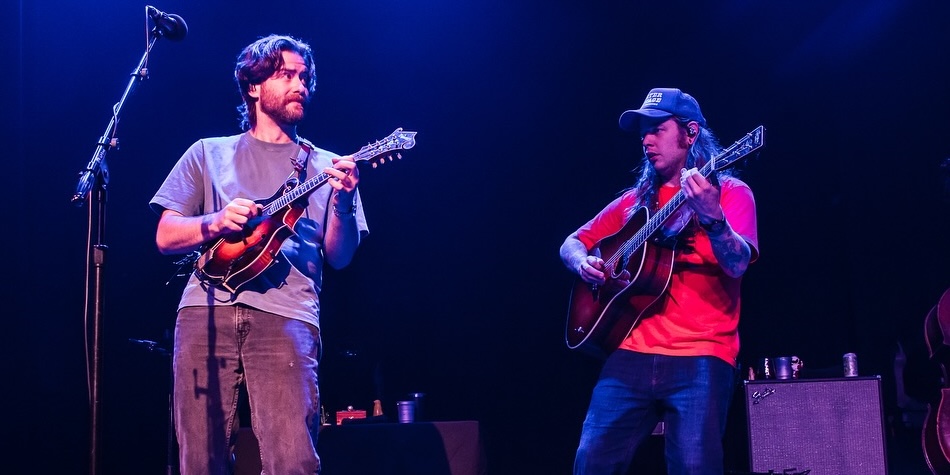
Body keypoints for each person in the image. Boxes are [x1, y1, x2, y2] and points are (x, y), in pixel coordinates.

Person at [150, 34, 368, 474]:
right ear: (253, 86)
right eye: (285, 74)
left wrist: (344, 201)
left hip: (287, 313)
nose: (299, 84)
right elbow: (165, 235)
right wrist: (214, 222)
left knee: (293, 460)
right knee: (201, 459)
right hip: (204, 311)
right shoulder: (207, 153)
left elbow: (340, 256)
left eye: (304, 77)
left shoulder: (326, 165)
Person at [560, 88, 758, 475]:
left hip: (702, 354)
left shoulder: (731, 193)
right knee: (591, 463)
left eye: (657, 129)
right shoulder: (635, 202)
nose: (646, 139)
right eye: (643, 132)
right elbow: (572, 242)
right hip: (630, 352)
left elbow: (737, 266)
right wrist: (584, 263)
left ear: (690, 133)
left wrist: (714, 219)